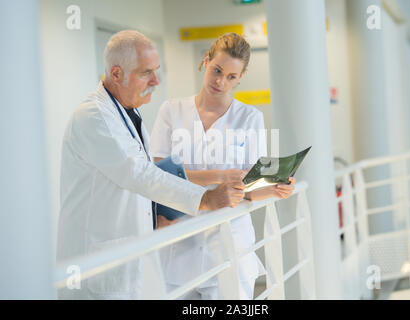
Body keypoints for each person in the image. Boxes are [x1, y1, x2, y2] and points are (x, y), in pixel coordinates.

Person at [56, 30, 245, 300]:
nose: (156, 80)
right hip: (98, 266)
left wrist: (154, 218)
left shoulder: (128, 112)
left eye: (156, 70)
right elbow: (140, 175)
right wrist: (206, 198)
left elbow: (136, 178)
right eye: (146, 72)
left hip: (129, 258)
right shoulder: (95, 116)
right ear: (117, 74)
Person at [150, 33, 296, 300]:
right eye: (217, 70)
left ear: (240, 78)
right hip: (177, 245)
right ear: (206, 60)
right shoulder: (171, 110)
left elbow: (248, 186)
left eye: (231, 76)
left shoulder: (250, 118)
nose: (220, 81)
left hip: (229, 244)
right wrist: (217, 176)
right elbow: (158, 175)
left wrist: (275, 189)